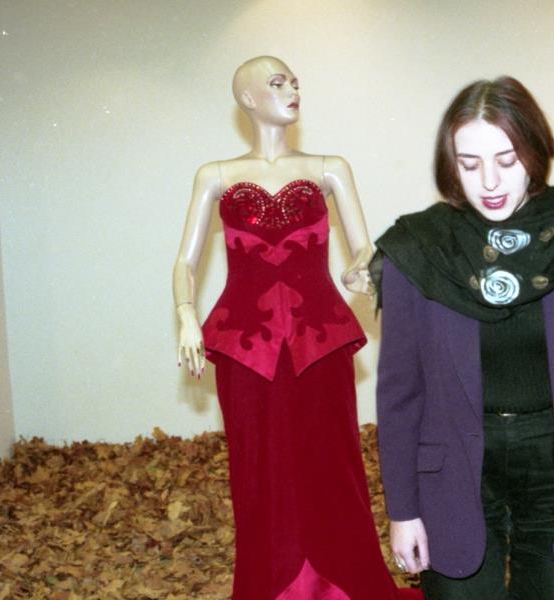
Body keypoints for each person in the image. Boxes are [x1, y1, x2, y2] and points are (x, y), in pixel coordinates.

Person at [372, 76, 554, 599]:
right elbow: (399, 394)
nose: (489, 181)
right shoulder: (418, 248)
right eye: (470, 165)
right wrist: (403, 511)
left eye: (506, 160)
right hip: (453, 467)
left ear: (534, 151)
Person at [172, 56, 403, 600]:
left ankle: (344, 585)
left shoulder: (330, 168)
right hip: (244, 348)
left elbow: (365, 248)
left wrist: (363, 270)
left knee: (333, 463)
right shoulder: (215, 175)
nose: (293, 90)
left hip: (319, 340)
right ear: (248, 99)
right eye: (278, 83)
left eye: (296, 82)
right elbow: (185, 262)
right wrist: (185, 315)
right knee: (256, 471)